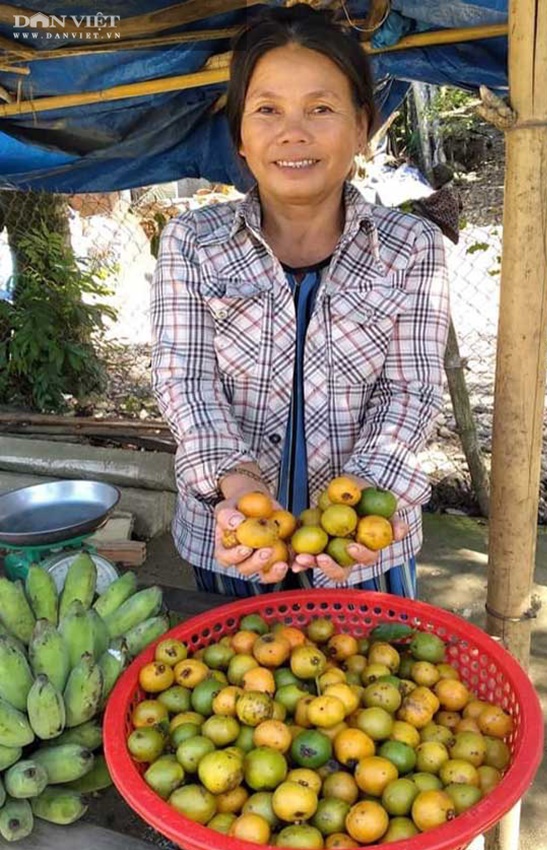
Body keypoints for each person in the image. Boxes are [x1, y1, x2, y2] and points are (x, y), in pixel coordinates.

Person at [151, 3, 450, 598]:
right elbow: (185, 380)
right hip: (232, 538)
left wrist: (363, 504)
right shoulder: (193, 243)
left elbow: (410, 391)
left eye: (321, 108)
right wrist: (235, 489)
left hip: (364, 550)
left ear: (362, 126)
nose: (294, 132)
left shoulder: (412, 246)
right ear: (239, 134)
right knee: (240, 679)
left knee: (371, 678)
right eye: (267, 110)